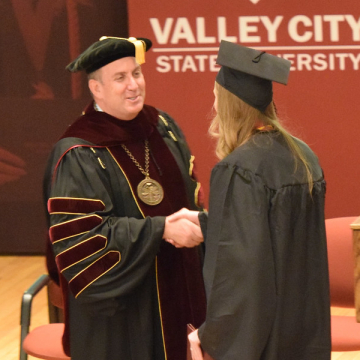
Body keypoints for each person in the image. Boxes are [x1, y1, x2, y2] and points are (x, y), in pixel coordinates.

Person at [43, 36, 206, 360]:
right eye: (120, 78)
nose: (134, 85)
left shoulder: (163, 128)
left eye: (136, 73)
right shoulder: (79, 152)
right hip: (123, 316)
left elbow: (193, 198)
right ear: (96, 89)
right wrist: (159, 230)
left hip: (180, 292)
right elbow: (82, 241)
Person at [170, 41, 331, 360]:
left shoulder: (239, 169)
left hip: (262, 342)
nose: (214, 108)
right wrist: (209, 224)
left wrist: (208, 338)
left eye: (217, 99)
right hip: (302, 335)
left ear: (231, 105)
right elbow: (277, 239)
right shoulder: (303, 157)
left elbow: (238, 279)